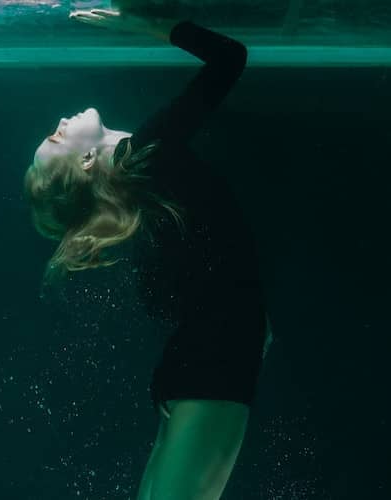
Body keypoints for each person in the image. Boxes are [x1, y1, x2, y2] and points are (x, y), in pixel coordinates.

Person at [24, 8, 273, 500]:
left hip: (203, 359)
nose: (58, 121)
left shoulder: (141, 182)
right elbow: (229, 58)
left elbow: (198, 277)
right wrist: (146, 22)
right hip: (212, 359)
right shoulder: (146, 155)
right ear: (87, 159)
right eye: (56, 138)